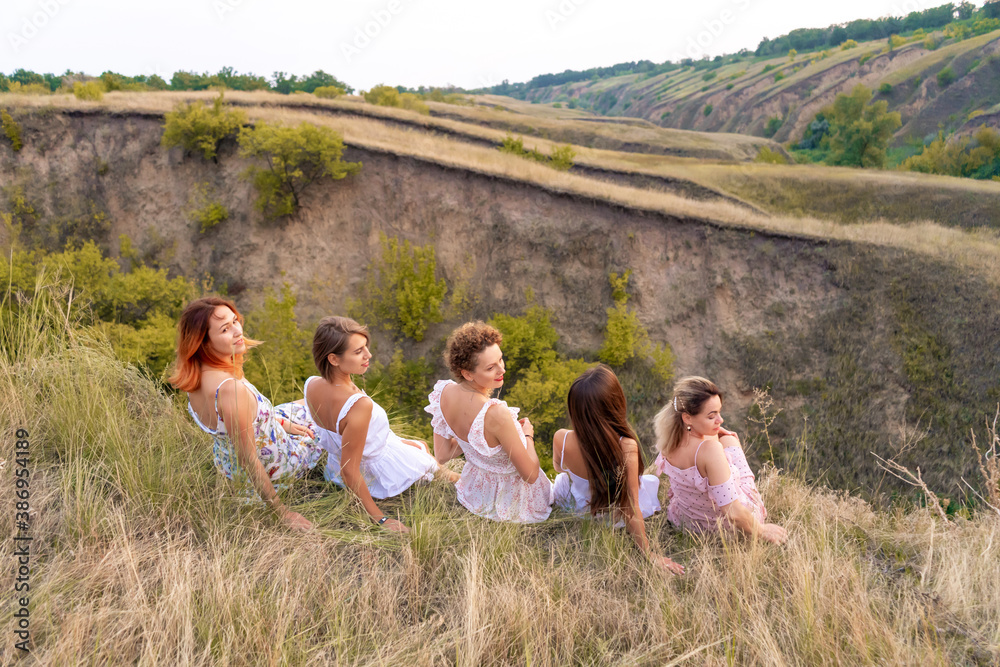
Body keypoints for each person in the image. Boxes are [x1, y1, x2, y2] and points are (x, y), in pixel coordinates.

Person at [169, 296, 323, 532]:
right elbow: (248, 458)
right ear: (203, 342)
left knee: (310, 398)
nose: (237, 331)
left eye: (235, 321)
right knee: (328, 406)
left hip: (230, 465)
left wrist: (282, 422)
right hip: (277, 464)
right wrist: (282, 514)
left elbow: (245, 422)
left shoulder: (199, 374)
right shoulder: (230, 390)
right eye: (225, 329)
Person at [304, 316, 452, 534]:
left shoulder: (312, 384)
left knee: (419, 444)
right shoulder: (358, 405)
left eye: (366, 347)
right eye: (358, 352)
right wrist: (381, 519)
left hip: (334, 468)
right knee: (438, 467)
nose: (368, 355)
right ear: (334, 359)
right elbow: (350, 471)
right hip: (373, 472)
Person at [553, 365, 684, 575]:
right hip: (609, 515)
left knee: (562, 480)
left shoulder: (562, 437)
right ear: (615, 403)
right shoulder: (626, 447)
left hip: (577, 506)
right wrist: (650, 555)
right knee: (647, 482)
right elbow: (630, 509)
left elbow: (560, 468)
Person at [425, 321, 552, 523]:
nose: (502, 369)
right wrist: (528, 435)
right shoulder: (496, 414)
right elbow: (530, 475)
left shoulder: (443, 393)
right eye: (491, 367)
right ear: (467, 373)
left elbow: (442, 454)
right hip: (510, 502)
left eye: (501, 359)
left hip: (474, 493)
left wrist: (474, 436)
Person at [653, 376, 787, 544]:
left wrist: (711, 430)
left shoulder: (668, 441)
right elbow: (734, 513)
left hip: (688, 524)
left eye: (719, 412)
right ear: (688, 418)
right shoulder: (710, 450)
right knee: (730, 440)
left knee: (723, 437)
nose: (720, 420)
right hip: (723, 530)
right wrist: (762, 530)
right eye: (711, 416)